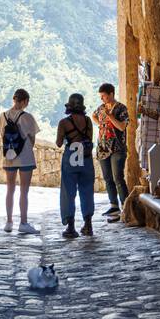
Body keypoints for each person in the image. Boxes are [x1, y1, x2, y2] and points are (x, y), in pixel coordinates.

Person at [0, 89, 39, 234]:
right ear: (24, 101)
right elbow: (32, 137)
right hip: (25, 157)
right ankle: (23, 222)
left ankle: (9, 222)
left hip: (9, 157)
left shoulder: (2, 116)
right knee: (24, 191)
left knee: (10, 190)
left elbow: (2, 134)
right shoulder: (27, 117)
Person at [56, 93, 96, 239]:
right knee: (87, 191)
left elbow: (59, 143)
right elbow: (90, 138)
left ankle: (70, 227)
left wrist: (68, 137)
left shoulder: (64, 122)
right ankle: (88, 225)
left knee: (68, 192)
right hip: (86, 159)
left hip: (71, 159)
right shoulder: (88, 121)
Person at [93, 82, 130, 222]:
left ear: (111, 94)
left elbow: (121, 127)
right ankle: (114, 206)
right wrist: (100, 123)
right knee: (108, 178)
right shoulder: (101, 108)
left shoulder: (121, 108)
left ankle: (126, 207)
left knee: (118, 178)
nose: (102, 99)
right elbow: (93, 115)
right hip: (102, 148)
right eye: (101, 96)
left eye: (104, 96)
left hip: (117, 148)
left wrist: (110, 117)